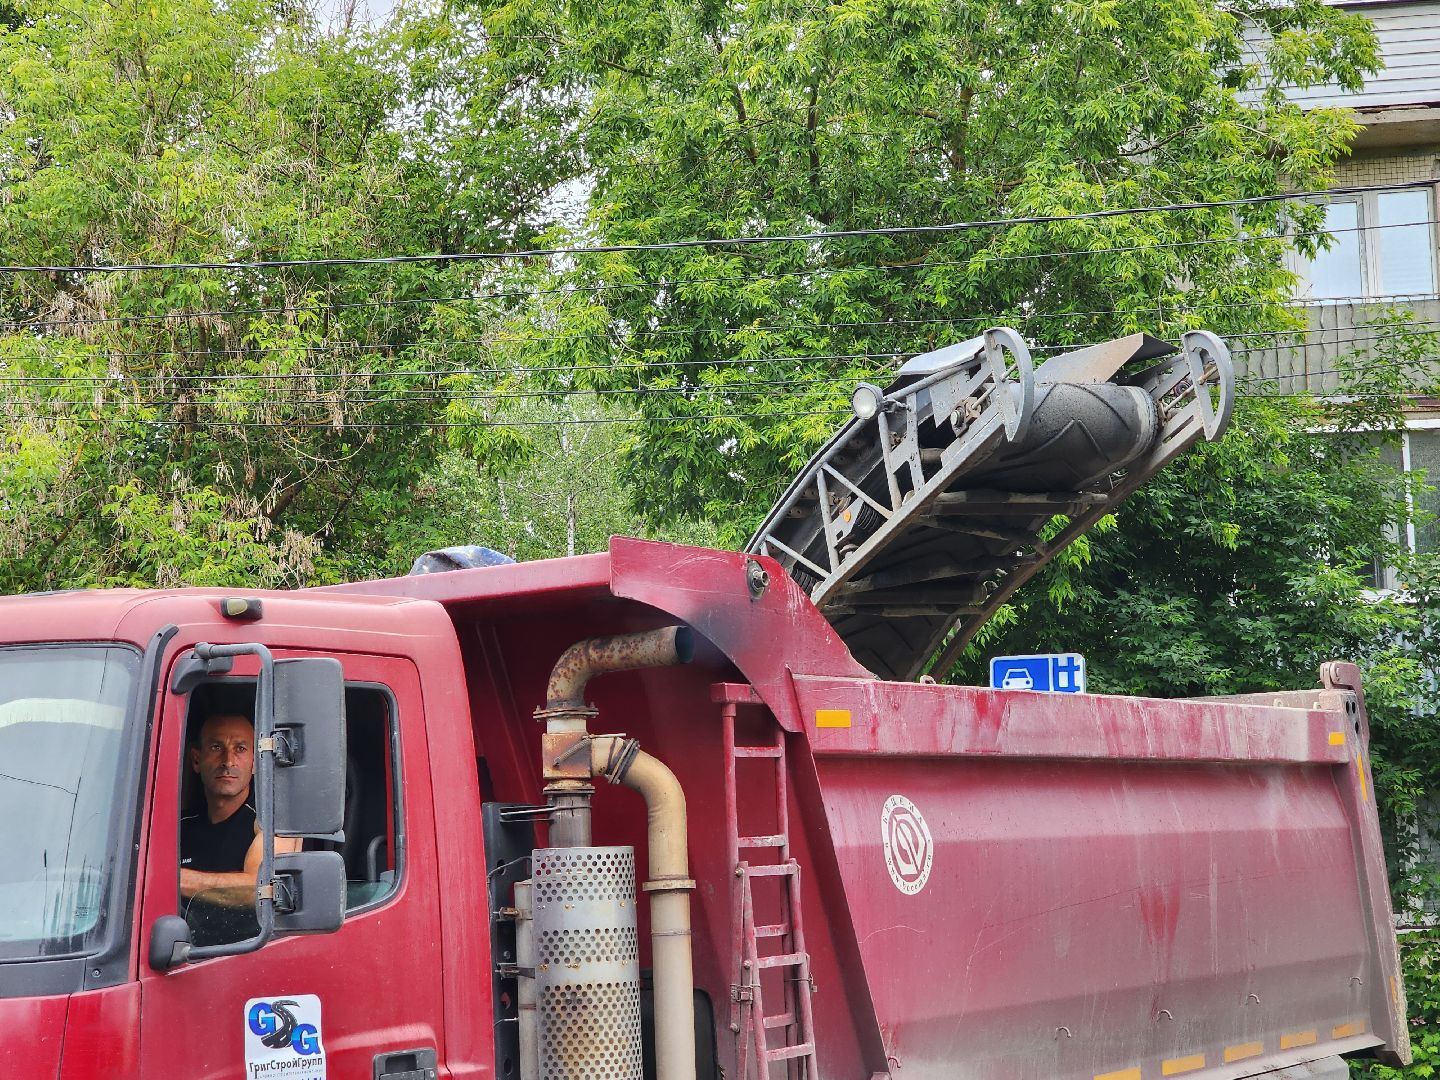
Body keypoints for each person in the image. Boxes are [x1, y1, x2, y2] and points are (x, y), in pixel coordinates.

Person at [180, 711, 301, 905]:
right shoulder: (178, 826)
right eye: (216, 747)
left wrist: (176, 879)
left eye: (241, 749)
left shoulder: (272, 821)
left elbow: (260, 890)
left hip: (250, 936)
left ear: (255, 764)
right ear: (196, 760)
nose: (228, 761)